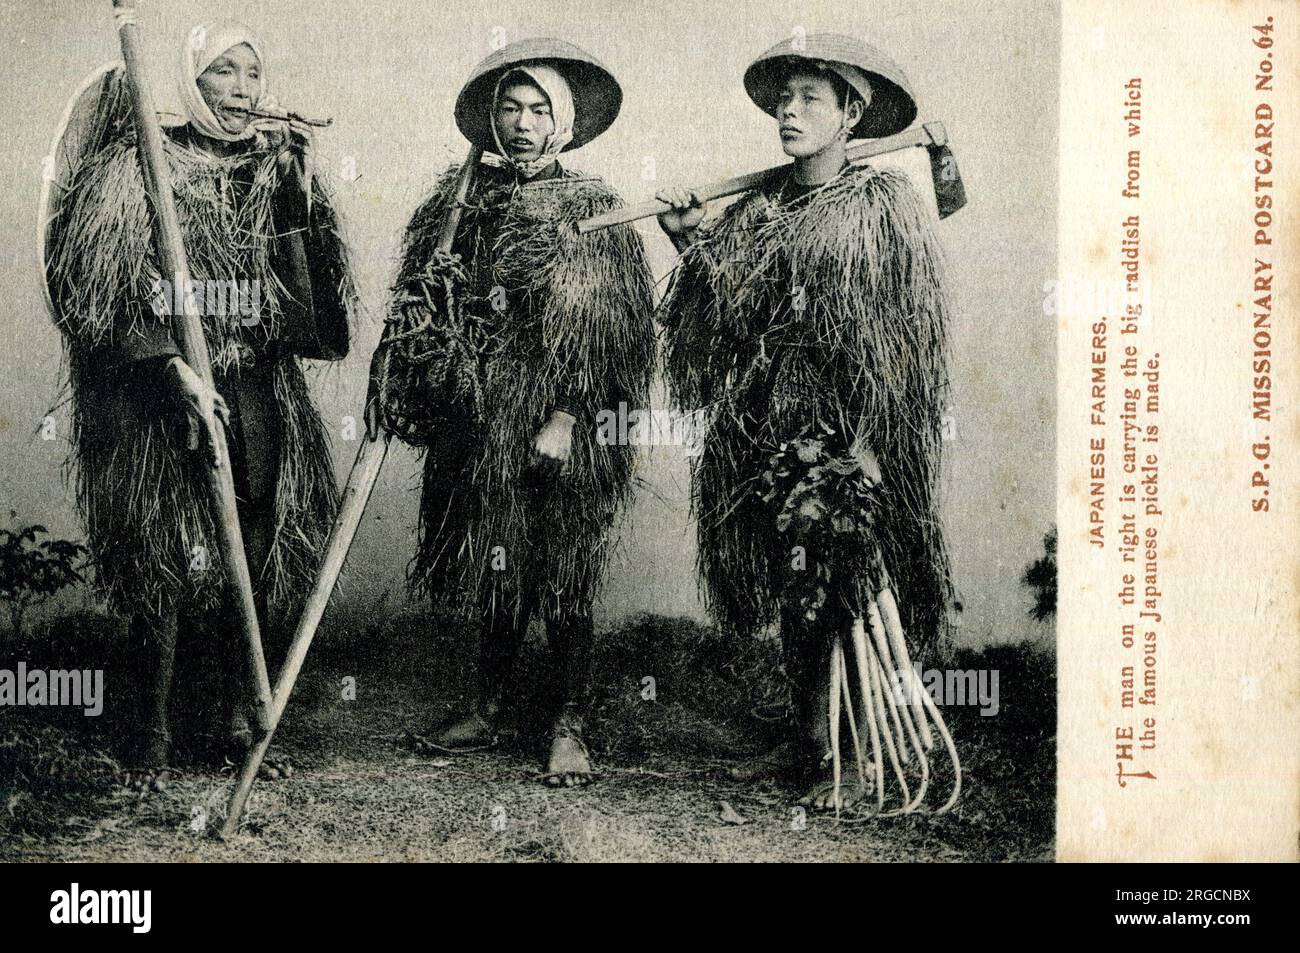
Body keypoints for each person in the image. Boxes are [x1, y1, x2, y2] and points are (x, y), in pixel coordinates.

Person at [45, 20, 358, 789]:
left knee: (248, 552)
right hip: (159, 395)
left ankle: (231, 719)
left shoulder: (271, 169)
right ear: (193, 81)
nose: (245, 90)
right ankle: (148, 731)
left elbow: (312, 317)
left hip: (254, 389)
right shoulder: (135, 167)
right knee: (162, 556)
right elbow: (97, 294)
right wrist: (173, 370)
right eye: (225, 72)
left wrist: (297, 195)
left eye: (255, 73)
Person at [656, 33, 956, 809]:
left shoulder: (881, 205)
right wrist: (693, 242)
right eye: (782, 101)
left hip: (848, 435)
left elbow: (908, 337)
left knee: (846, 587)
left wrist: (871, 444)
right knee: (796, 592)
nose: (788, 112)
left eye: (808, 100)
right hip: (764, 429)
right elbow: (730, 320)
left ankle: (853, 754)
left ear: (850, 114)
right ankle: (809, 742)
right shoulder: (758, 210)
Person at [369, 39, 656, 787]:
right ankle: (489, 706)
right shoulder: (458, 203)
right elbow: (423, 308)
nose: (523, 124)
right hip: (479, 417)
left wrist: (563, 418)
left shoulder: (593, 211)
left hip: (562, 419)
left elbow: (604, 333)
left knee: (559, 566)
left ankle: (569, 723)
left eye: (539, 110)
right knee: (495, 558)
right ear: (492, 119)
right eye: (511, 108)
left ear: (562, 122)